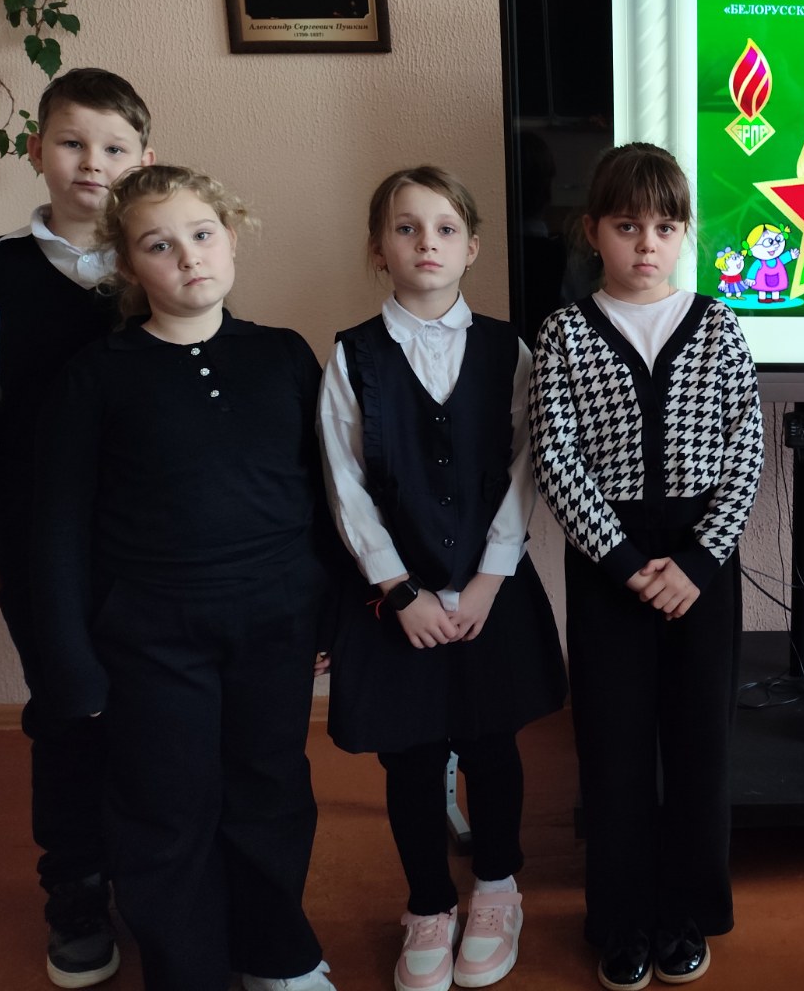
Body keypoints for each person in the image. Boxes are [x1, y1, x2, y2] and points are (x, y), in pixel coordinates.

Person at [32, 166, 336, 991]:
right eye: (159, 246)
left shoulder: (283, 356)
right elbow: (56, 531)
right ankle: (187, 969)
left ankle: (275, 954)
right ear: (130, 266)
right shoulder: (97, 376)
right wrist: (70, 663)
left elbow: (326, 498)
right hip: (152, 638)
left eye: (202, 235)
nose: (189, 257)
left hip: (275, 625)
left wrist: (331, 614)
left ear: (231, 239)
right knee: (166, 806)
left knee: (271, 791)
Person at [0, 68, 154, 988]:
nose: (92, 162)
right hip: (41, 542)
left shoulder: (164, 254)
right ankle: (77, 891)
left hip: (154, 541)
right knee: (69, 710)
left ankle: (159, 874)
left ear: (145, 158)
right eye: (72, 142)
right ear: (36, 152)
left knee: (159, 713)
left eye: (114, 147)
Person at [319, 166, 567, 991]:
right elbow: (344, 485)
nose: (427, 242)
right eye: (406, 227)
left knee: (493, 744)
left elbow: (526, 467)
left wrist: (491, 579)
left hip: (493, 588)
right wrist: (398, 590)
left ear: (472, 247)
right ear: (378, 249)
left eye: (445, 228)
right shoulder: (351, 356)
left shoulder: (511, 350)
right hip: (397, 600)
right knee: (412, 757)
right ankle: (428, 902)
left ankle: (497, 890)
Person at [529, 143, 764, 991]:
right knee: (614, 749)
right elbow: (556, 458)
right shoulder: (564, 334)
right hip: (610, 567)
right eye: (628, 227)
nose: (647, 245)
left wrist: (697, 561)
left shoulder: (719, 327)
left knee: (699, 749)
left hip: (703, 565)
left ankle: (685, 913)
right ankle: (621, 918)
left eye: (665, 227)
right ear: (593, 231)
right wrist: (627, 563)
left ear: (684, 233)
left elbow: (746, 453)